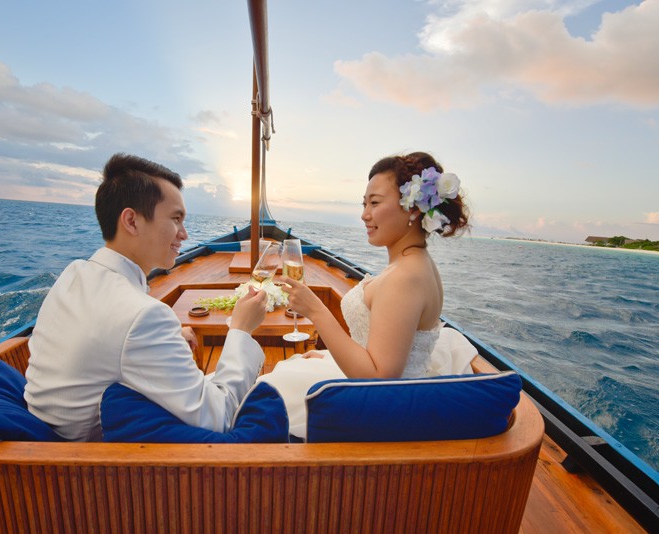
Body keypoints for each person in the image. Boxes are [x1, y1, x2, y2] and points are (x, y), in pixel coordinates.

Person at [24, 153, 268, 441]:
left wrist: (168, 334)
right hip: (90, 468)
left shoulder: (75, 273)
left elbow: (108, 336)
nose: (185, 234)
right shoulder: (143, 316)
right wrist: (241, 330)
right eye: (176, 219)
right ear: (131, 221)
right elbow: (218, 418)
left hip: (44, 446)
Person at [259, 151, 476, 438]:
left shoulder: (405, 278)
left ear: (412, 209)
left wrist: (317, 311)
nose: (364, 214)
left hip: (376, 411)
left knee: (263, 396)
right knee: (284, 374)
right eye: (364, 204)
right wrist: (331, 357)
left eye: (374, 203)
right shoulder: (412, 263)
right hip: (378, 387)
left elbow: (379, 381)